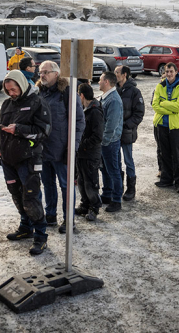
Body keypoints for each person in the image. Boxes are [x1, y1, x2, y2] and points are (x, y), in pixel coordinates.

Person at [0, 70, 51, 255]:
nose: (11, 93)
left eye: (13, 89)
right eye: (8, 90)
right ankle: (25, 227)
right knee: (17, 195)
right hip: (8, 159)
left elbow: (44, 131)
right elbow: (1, 129)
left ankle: (40, 236)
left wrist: (19, 129)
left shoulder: (36, 102)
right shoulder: (6, 104)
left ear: (21, 84)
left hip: (28, 159)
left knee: (31, 197)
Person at [36, 61, 85, 231]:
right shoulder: (39, 92)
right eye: (40, 72)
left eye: (46, 72)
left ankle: (68, 219)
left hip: (62, 150)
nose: (42, 75)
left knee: (66, 185)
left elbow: (79, 120)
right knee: (48, 184)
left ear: (56, 74)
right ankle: (50, 215)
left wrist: (73, 147)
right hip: (43, 149)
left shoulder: (67, 92)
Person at [152, 63, 179, 192]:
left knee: (178, 155)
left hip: (176, 126)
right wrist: (171, 108)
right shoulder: (160, 86)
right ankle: (167, 179)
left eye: (171, 71)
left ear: (176, 72)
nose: (168, 74)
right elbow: (155, 105)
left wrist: (164, 104)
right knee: (164, 153)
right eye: (167, 71)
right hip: (161, 125)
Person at [115, 65, 144, 201]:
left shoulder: (134, 92)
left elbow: (139, 113)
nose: (115, 75)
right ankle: (118, 187)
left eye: (117, 72)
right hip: (114, 133)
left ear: (124, 74)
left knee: (128, 160)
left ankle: (131, 189)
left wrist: (127, 125)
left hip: (126, 132)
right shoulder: (114, 89)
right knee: (116, 161)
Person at [76, 83, 104, 221]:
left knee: (91, 182)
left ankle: (94, 207)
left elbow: (98, 136)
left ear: (82, 95)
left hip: (90, 153)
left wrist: (82, 145)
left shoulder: (95, 111)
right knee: (81, 181)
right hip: (82, 153)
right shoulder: (85, 109)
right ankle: (85, 205)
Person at [99, 71, 124, 209]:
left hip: (109, 142)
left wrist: (104, 141)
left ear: (107, 82)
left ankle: (116, 200)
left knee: (113, 170)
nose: (98, 82)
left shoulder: (113, 100)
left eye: (101, 80)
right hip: (106, 141)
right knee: (105, 169)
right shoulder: (107, 97)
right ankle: (107, 194)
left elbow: (111, 125)